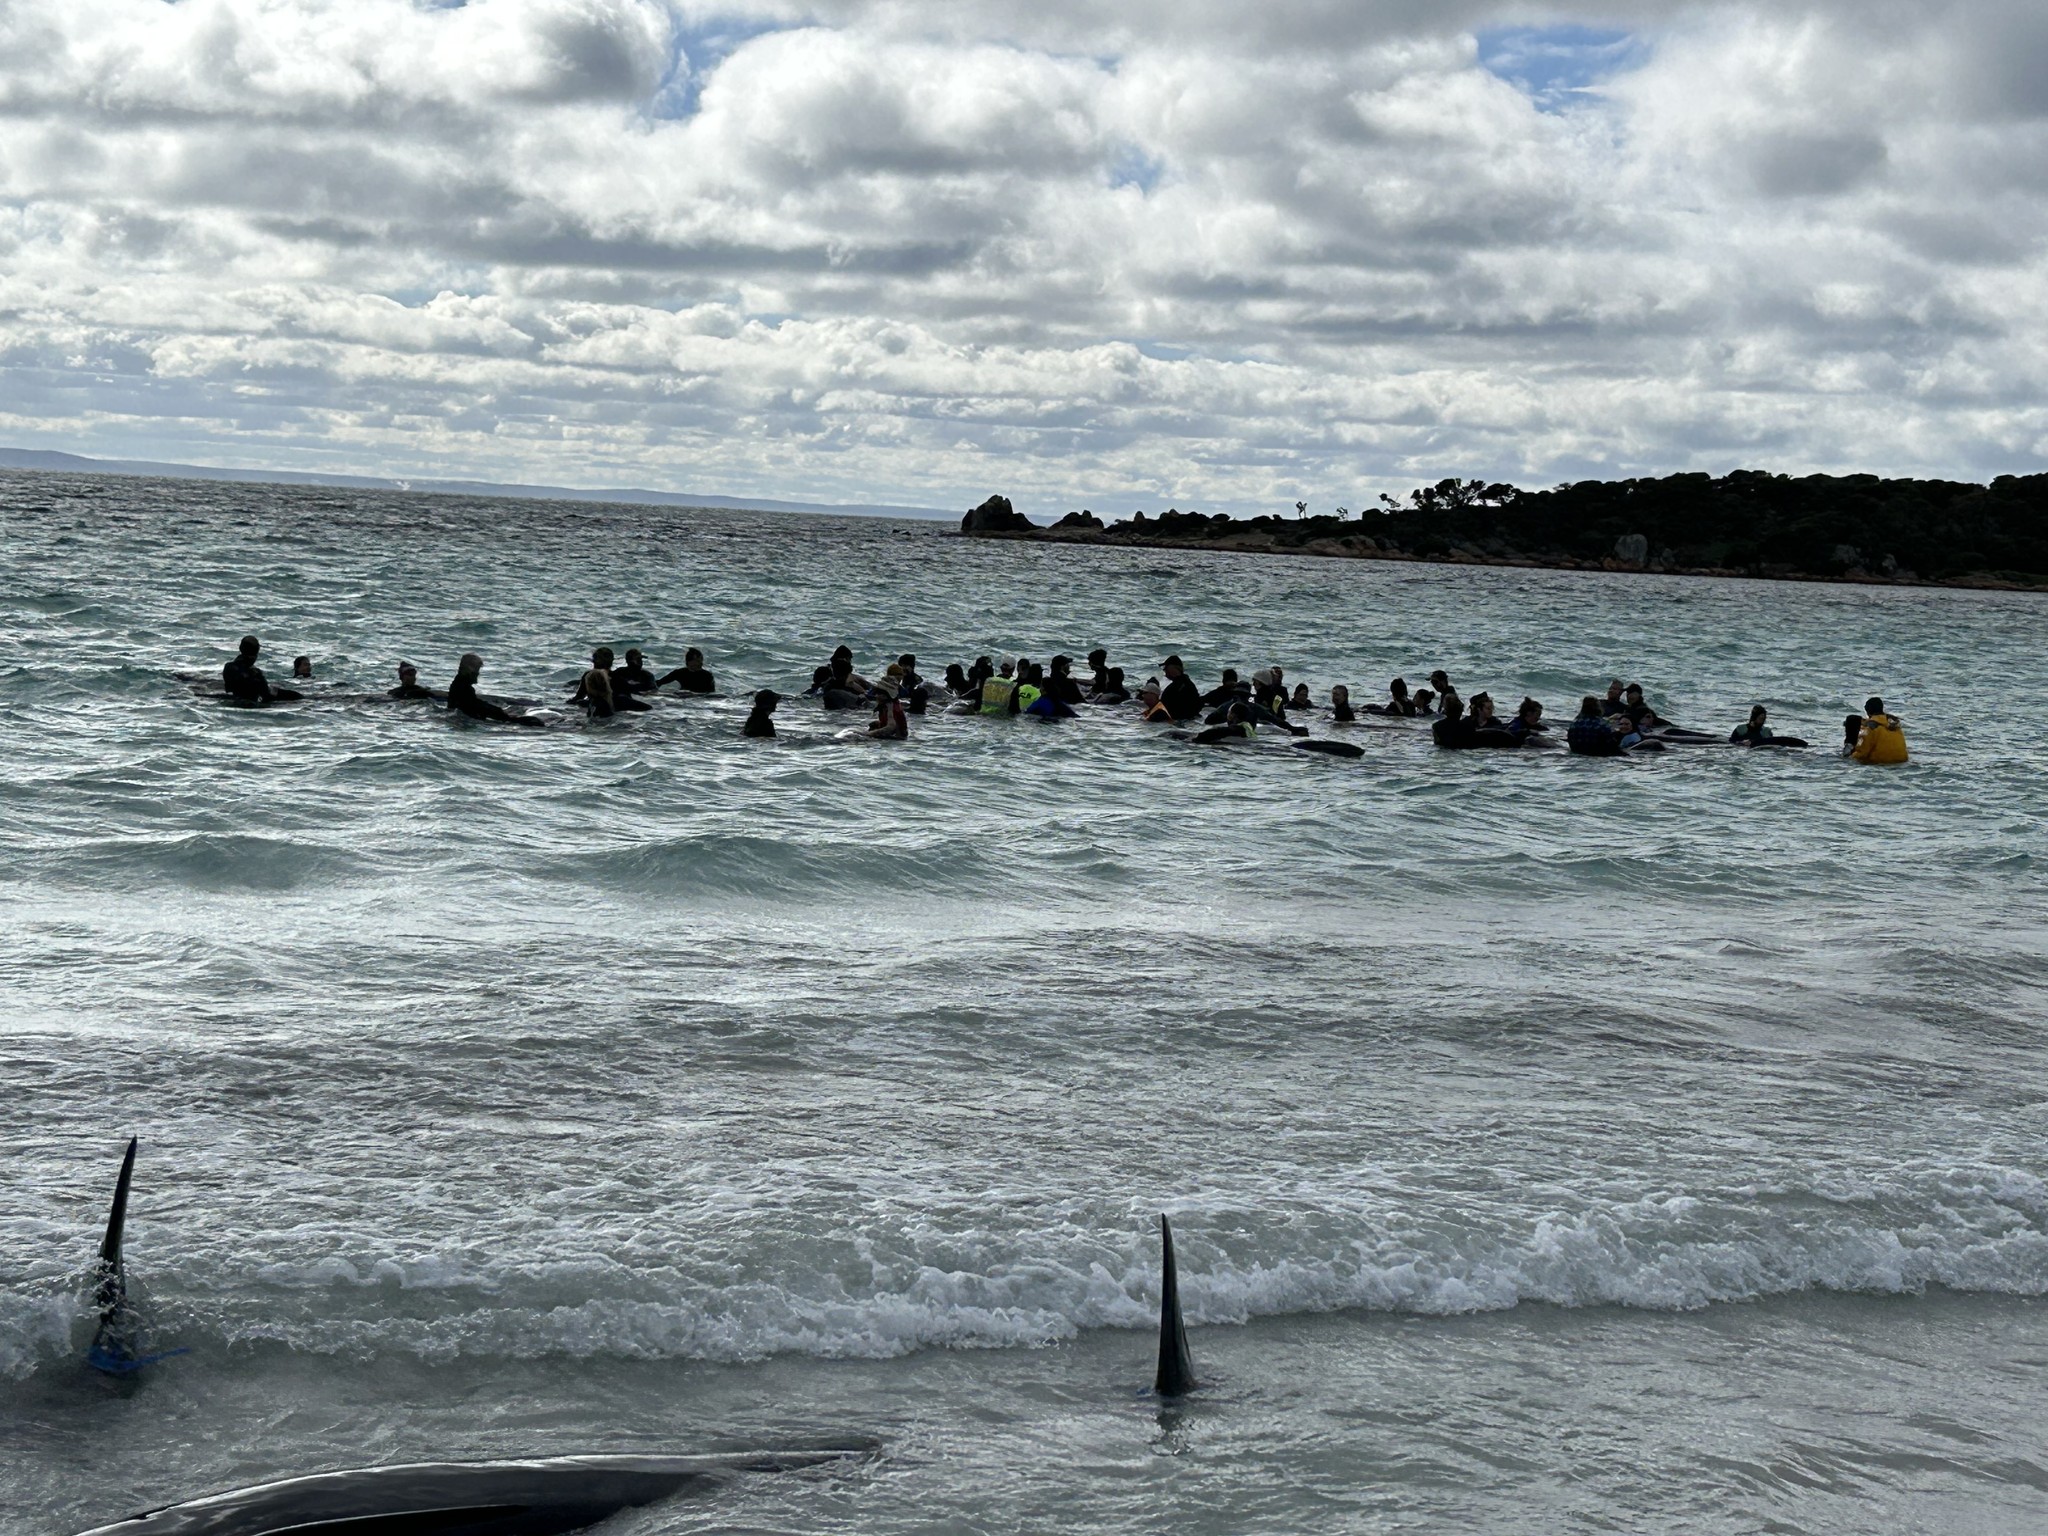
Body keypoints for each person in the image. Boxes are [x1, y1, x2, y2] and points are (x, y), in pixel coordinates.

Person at [448, 653, 543, 726]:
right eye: (477, 671)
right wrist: (502, 714)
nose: (478, 674)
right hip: (467, 719)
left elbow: (475, 704)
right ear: (470, 671)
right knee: (533, 722)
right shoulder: (462, 688)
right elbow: (476, 706)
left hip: (467, 716)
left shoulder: (459, 685)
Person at [222, 636, 301, 704]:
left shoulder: (228, 667)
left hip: (236, 699)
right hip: (252, 703)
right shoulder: (255, 673)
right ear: (256, 652)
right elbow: (266, 695)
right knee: (298, 697)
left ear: (240, 648)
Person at [1852, 697, 1908, 763]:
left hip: (1880, 762)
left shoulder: (1869, 728)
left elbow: (1861, 753)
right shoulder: (1894, 725)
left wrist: (1850, 755)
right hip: (1901, 760)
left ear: (1868, 712)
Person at [1161, 655, 1202, 721]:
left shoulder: (1180, 685)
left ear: (1172, 668)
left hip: (1179, 719)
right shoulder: (1185, 682)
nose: (1164, 671)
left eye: (1166, 668)